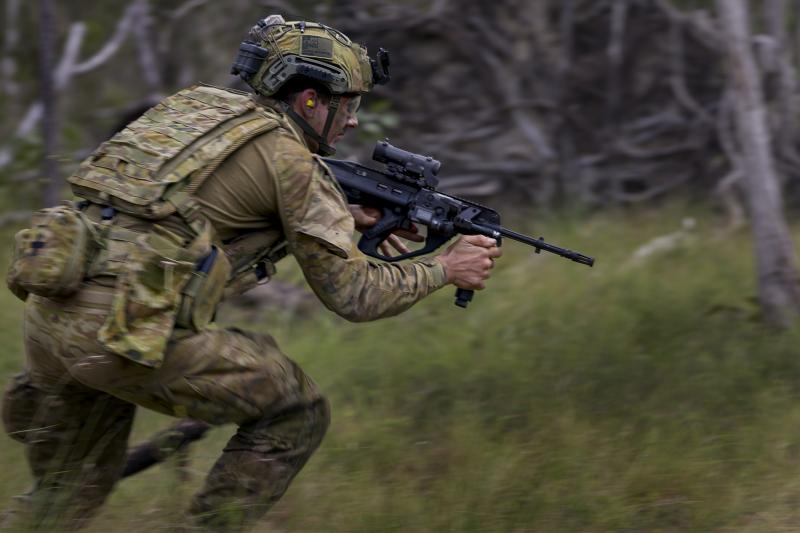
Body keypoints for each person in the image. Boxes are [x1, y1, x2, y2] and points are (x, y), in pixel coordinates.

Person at [1, 15, 501, 531]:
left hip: (51, 316)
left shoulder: (194, 109)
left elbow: (184, 212)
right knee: (297, 409)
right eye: (347, 104)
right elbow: (356, 296)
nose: (353, 121)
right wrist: (444, 268)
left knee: (61, 499)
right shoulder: (296, 165)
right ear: (309, 100)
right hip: (123, 333)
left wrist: (327, 220)